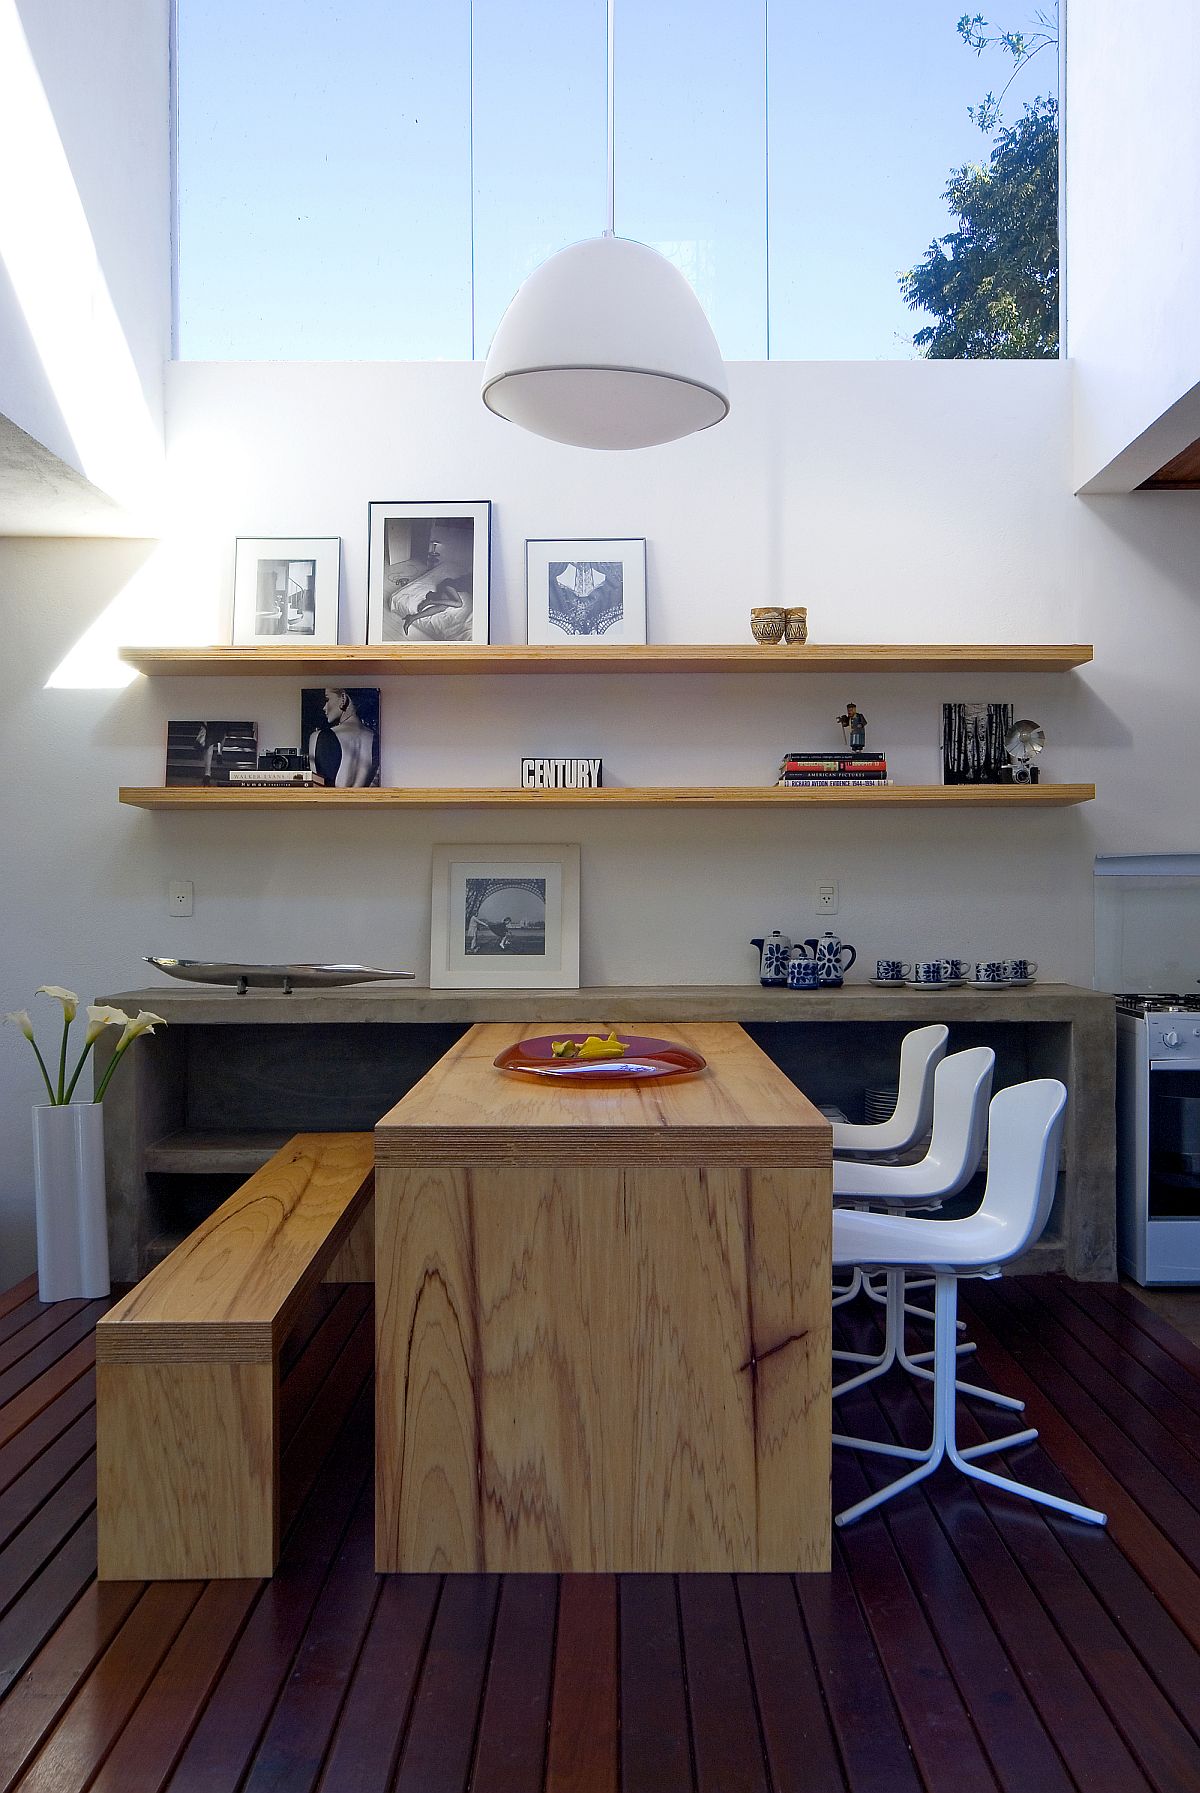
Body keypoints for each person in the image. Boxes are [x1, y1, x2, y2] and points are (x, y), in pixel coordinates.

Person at [308, 689, 378, 788]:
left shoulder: (319, 737)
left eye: (327, 699)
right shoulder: (376, 739)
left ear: (344, 699)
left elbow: (317, 788)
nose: (324, 707)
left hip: (331, 802)